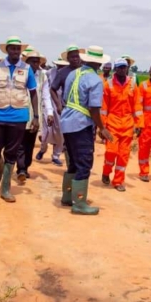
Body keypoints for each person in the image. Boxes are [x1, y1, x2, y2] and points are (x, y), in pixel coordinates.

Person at [0, 36, 38, 202]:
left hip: (19, 115)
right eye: (12, 48)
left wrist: (35, 116)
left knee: (11, 152)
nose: (15, 51)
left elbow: (33, 93)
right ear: (7, 50)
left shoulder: (27, 69)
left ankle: (5, 188)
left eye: (18, 49)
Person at [60, 45, 114, 214]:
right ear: (99, 63)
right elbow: (94, 108)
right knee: (84, 163)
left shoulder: (72, 74)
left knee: (73, 162)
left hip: (67, 121)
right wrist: (102, 128)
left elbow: (65, 97)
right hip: (81, 124)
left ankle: (67, 197)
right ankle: (80, 203)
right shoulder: (95, 80)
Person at [101, 58, 142, 192]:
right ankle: (106, 171)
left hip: (127, 125)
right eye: (119, 67)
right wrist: (102, 127)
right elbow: (104, 108)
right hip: (112, 124)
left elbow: (137, 106)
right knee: (111, 152)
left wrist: (139, 124)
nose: (121, 69)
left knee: (123, 155)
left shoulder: (132, 85)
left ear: (127, 68)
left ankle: (118, 181)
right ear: (115, 69)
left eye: (123, 67)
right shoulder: (108, 85)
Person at [16, 50, 46, 180]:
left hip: (35, 114)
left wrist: (47, 113)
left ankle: (25, 166)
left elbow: (45, 95)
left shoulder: (42, 76)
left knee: (30, 142)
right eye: (33, 61)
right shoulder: (19, 74)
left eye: (37, 61)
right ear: (26, 62)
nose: (36, 63)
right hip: (21, 113)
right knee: (20, 142)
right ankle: (21, 168)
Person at [36, 58, 67, 165]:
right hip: (48, 103)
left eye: (62, 65)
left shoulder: (68, 74)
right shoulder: (49, 72)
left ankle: (55, 156)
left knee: (60, 133)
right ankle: (42, 149)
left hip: (61, 105)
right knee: (46, 131)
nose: (60, 67)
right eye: (58, 65)